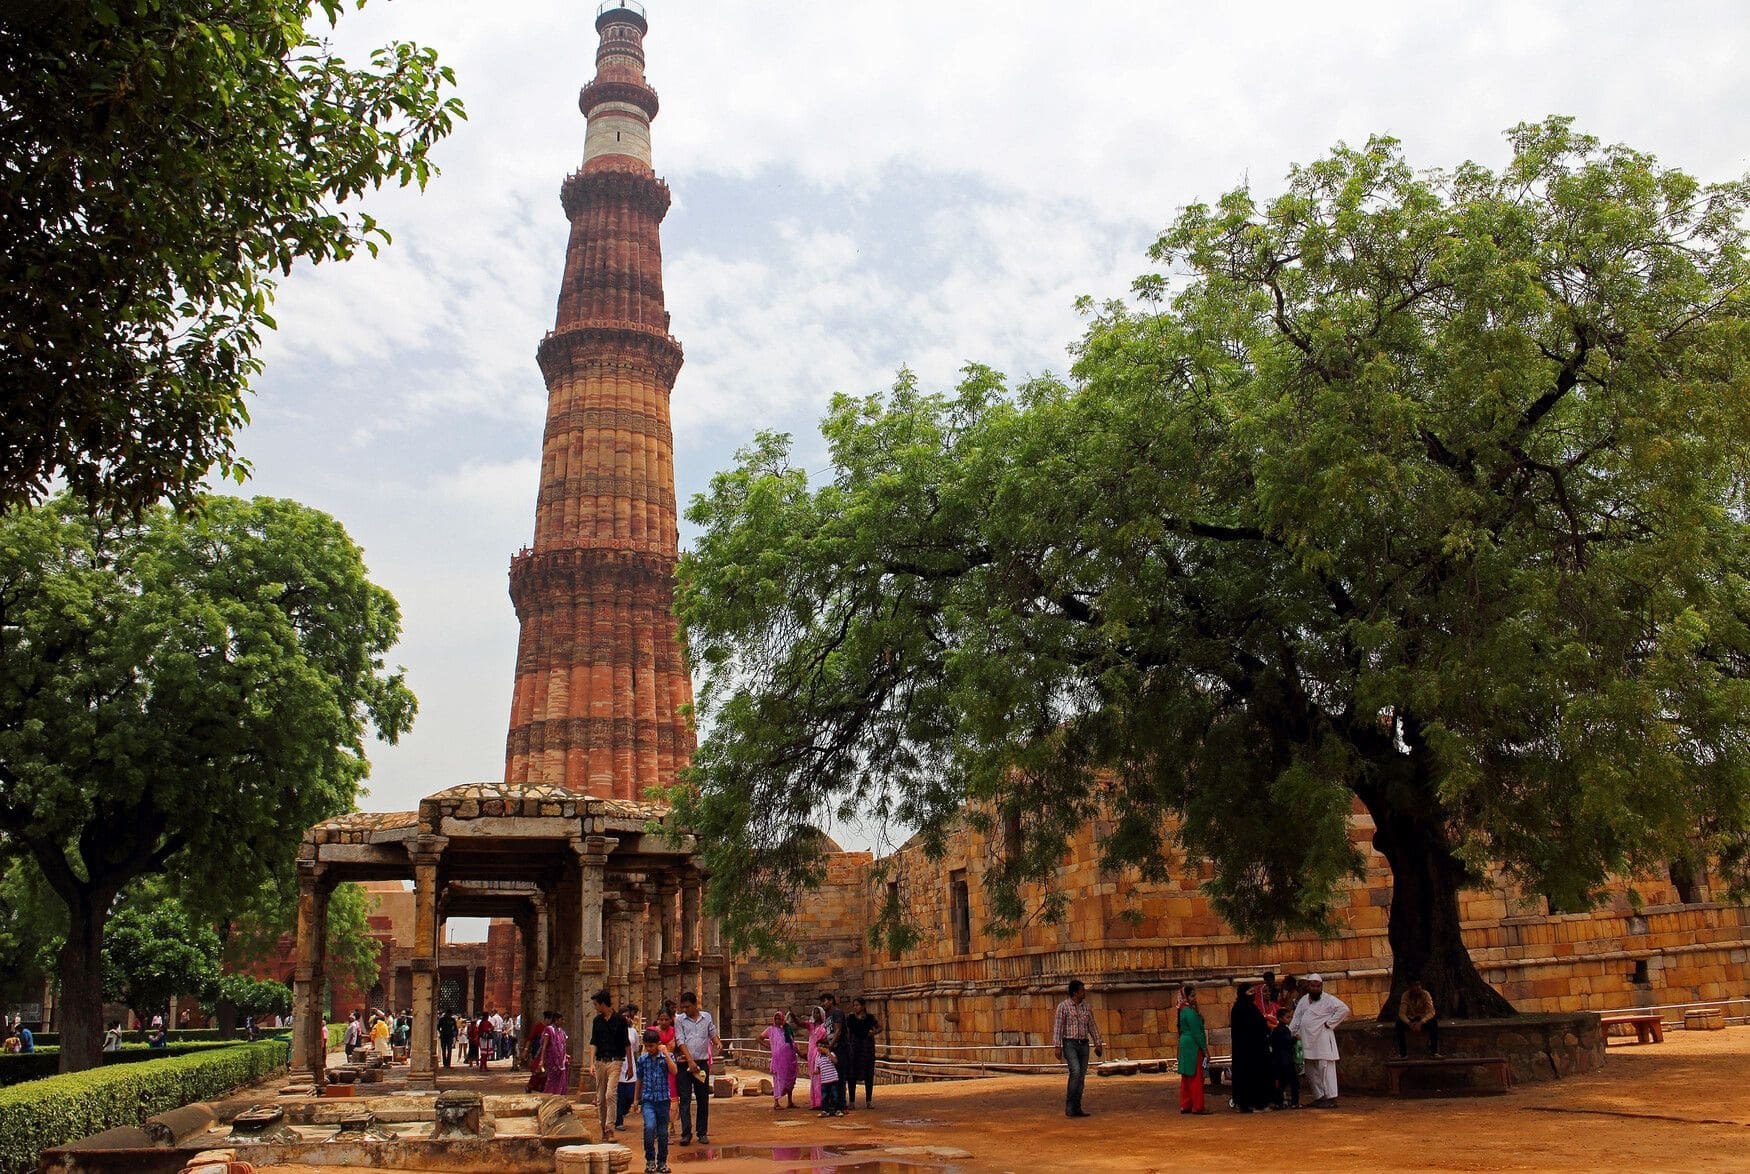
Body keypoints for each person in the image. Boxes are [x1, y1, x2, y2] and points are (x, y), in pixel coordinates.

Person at [1290, 974, 1350, 1108]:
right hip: (1307, 1040)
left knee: (1325, 1069)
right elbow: (1296, 1019)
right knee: (1311, 1069)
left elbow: (1344, 1009)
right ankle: (1319, 1096)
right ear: (1309, 986)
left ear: (1321, 987)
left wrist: (1330, 1023)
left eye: (1318, 986)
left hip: (1322, 1039)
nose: (1315, 988)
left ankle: (1331, 1097)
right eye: (1313, 986)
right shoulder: (1304, 1000)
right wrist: (1289, 1033)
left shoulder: (1328, 999)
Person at [672, 990, 720, 1146]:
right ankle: (686, 1133)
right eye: (683, 1007)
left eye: (687, 1006)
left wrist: (717, 1042)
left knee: (702, 1099)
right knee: (685, 1099)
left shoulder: (706, 1017)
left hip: (702, 1063)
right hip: (685, 1063)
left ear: (695, 1005)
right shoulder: (679, 1020)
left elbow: (712, 1033)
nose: (685, 1010)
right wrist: (690, 1061)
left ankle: (702, 1132)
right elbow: (680, 1040)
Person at [1051, 978, 1104, 1118]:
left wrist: (1097, 1042)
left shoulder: (1086, 1007)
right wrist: (1057, 1046)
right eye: (1081, 990)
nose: (1084, 993)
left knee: (1081, 1077)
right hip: (1070, 1044)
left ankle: (1077, 1107)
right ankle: (1069, 1106)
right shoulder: (1063, 1007)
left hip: (1083, 1043)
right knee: (1075, 1071)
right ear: (1075, 992)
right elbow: (1058, 1027)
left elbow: (1091, 1025)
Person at [633, 1026, 678, 1174]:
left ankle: (662, 1161)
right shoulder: (642, 1060)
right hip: (648, 1100)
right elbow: (639, 1080)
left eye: (651, 1046)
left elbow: (674, 1071)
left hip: (663, 1099)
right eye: (646, 1046)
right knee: (649, 1127)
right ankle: (650, 1160)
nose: (649, 1049)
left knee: (663, 1132)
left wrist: (665, 1053)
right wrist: (635, 1100)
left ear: (658, 1044)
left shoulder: (666, 1058)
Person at [590, 990, 631, 1141]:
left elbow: (626, 1044)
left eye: (596, 1004)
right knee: (600, 1098)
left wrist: (631, 1066)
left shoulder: (620, 1020)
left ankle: (610, 1128)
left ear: (602, 1003)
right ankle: (603, 1127)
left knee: (610, 1094)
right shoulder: (597, 1021)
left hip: (616, 1060)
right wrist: (591, 1063)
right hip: (600, 1061)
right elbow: (593, 1042)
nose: (595, 1007)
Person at [1229, 981, 1274, 1112]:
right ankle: (1246, 1104)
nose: (1252, 995)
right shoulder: (1239, 1008)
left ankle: (1258, 1102)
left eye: (1253, 992)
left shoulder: (1251, 1007)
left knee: (1258, 1075)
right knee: (1247, 1075)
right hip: (1245, 1050)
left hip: (1256, 1048)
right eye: (1249, 992)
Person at [1174, 985, 1210, 1115]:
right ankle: (1198, 1106)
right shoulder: (1190, 1012)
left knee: (1187, 1075)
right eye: (1192, 996)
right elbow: (1197, 1032)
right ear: (1186, 997)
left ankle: (1186, 1104)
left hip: (1184, 1043)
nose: (1195, 999)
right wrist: (1205, 1050)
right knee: (1195, 1075)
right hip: (1192, 1045)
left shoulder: (1182, 1011)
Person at [844, 997, 879, 1109]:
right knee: (851, 1075)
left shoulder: (870, 1018)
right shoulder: (850, 1018)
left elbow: (879, 1028)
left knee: (868, 1074)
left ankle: (868, 1100)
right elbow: (847, 1031)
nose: (856, 1007)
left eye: (858, 1005)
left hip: (867, 1048)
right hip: (854, 1048)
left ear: (863, 1006)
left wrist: (872, 1033)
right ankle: (852, 1101)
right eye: (854, 1005)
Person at [1395, 977, 1441, 1058]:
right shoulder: (1406, 995)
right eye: (1415, 985)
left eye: (1419, 985)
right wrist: (1409, 1023)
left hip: (1422, 1019)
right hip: (1411, 1019)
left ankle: (1434, 1052)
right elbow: (1402, 1013)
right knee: (1398, 1024)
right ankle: (1403, 1053)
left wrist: (1421, 1022)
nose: (1418, 987)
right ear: (1410, 987)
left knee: (1434, 1022)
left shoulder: (1425, 994)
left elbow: (1431, 1012)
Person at [820, 992, 849, 1112]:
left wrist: (830, 1046)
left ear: (831, 1001)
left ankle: (841, 1105)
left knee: (839, 1077)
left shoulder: (837, 1013)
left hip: (840, 1048)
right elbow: (829, 1033)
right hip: (833, 1047)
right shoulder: (827, 1015)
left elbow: (838, 1031)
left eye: (825, 1001)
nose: (823, 1004)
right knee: (832, 1076)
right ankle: (834, 1103)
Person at [764, 1010, 798, 1110]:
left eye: (779, 1018)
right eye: (776, 1019)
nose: (778, 1020)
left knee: (790, 1079)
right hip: (778, 1060)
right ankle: (776, 1102)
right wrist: (770, 1046)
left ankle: (790, 1101)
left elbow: (793, 1043)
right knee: (778, 1079)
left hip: (790, 1058)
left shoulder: (787, 1029)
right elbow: (759, 1038)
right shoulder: (771, 1030)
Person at [616, 1004, 642, 1132]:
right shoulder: (614, 1031)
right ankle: (618, 1120)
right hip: (618, 1065)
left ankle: (623, 1111)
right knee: (619, 1094)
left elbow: (636, 1048)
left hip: (630, 1063)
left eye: (627, 1016)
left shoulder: (633, 1031)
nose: (626, 1018)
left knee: (631, 1094)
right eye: (623, 1016)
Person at [1270, 1005, 1301, 1109]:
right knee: (1292, 1082)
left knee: (1282, 1083)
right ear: (1280, 1018)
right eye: (1287, 1017)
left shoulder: (1279, 1030)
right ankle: (1293, 1102)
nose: (1289, 1019)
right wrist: (1294, 1039)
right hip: (1285, 1060)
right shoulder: (1281, 1031)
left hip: (1280, 1060)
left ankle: (1280, 1102)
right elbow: (1285, 1043)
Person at [815, 1037, 843, 1117]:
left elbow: (835, 1061)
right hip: (824, 1081)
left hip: (833, 1079)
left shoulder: (831, 1054)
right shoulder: (818, 1058)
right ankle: (825, 1110)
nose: (819, 1048)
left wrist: (828, 1053)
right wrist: (816, 1072)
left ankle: (837, 1110)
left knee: (835, 1096)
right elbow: (818, 1069)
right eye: (818, 1046)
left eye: (821, 1046)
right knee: (824, 1097)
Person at [806, 1007, 828, 1110]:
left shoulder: (825, 1026)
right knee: (814, 1078)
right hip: (812, 1055)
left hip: (821, 1053)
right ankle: (815, 1102)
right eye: (814, 1013)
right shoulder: (811, 1026)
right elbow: (800, 1024)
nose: (816, 1015)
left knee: (821, 1078)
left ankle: (822, 1101)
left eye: (818, 1013)